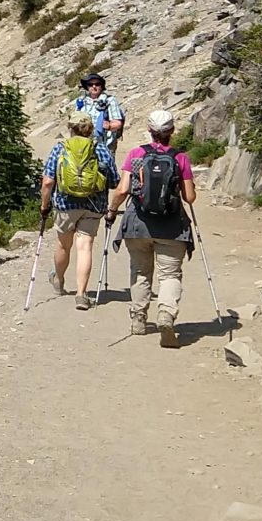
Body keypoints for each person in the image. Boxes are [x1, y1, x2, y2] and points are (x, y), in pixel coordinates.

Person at [106, 109, 197, 346]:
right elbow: (190, 197)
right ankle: (166, 315)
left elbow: (123, 189)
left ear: (149, 130)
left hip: (138, 224)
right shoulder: (180, 158)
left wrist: (112, 211)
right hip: (172, 227)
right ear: (171, 132)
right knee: (169, 275)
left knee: (140, 271)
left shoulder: (136, 154)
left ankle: (138, 319)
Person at [38, 114, 117, 309]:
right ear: (91, 129)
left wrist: (44, 205)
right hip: (93, 206)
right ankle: (82, 294)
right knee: (85, 247)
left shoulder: (60, 148)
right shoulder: (101, 149)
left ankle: (58, 279)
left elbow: (48, 182)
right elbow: (114, 180)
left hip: (65, 205)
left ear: (70, 128)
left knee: (64, 246)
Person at [70, 72, 126, 151]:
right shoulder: (81, 101)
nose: (94, 86)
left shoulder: (109, 101)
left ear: (101, 86)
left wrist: (109, 126)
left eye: (97, 84)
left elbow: (118, 124)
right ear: (87, 86)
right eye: (90, 84)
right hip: (83, 145)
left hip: (104, 145)